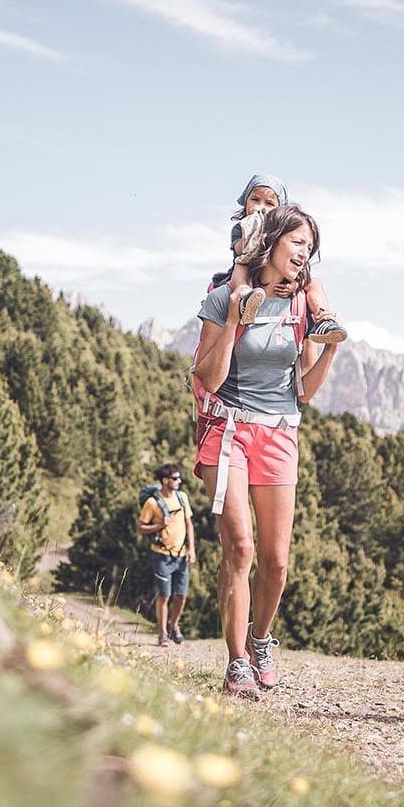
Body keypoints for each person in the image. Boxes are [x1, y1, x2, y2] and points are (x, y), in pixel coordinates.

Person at [191, 203, 341, 697]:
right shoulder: (223, 297)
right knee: (240, 548)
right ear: (274, 241)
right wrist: (235, 318)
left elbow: (305, 392)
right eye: (298, 242)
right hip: (228, 429)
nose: (305, 253)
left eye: (310, 248)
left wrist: (332, 349)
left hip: (279, 432)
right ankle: (236, 663)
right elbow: (207, 378)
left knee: (276, 562)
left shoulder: (302, 305)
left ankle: (259, 641)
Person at [218, 175, 347, 344]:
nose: (261, 207)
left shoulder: (286, 237)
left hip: (278, 274)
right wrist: (254, 231)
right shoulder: (241, 227)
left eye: (269, 203)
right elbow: (240, 250)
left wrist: (294, 284)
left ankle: (323, 318)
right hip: (248, 269)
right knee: (240, 266)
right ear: (245, 203)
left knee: (314, 283)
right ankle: (245, 298)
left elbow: (301, 271)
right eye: (255, 200)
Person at [135, 463, 195, 646]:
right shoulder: (152, 503)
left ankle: (174, 626)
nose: (179, 481)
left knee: (181, 595)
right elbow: (140, 528)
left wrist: (191, 548)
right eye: (175, 478)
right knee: (164, 596)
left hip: (181, 555)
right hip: (161, 555)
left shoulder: (182, 497)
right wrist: (159, 526)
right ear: (165, 480)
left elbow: (188, 524)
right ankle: (162, 634)